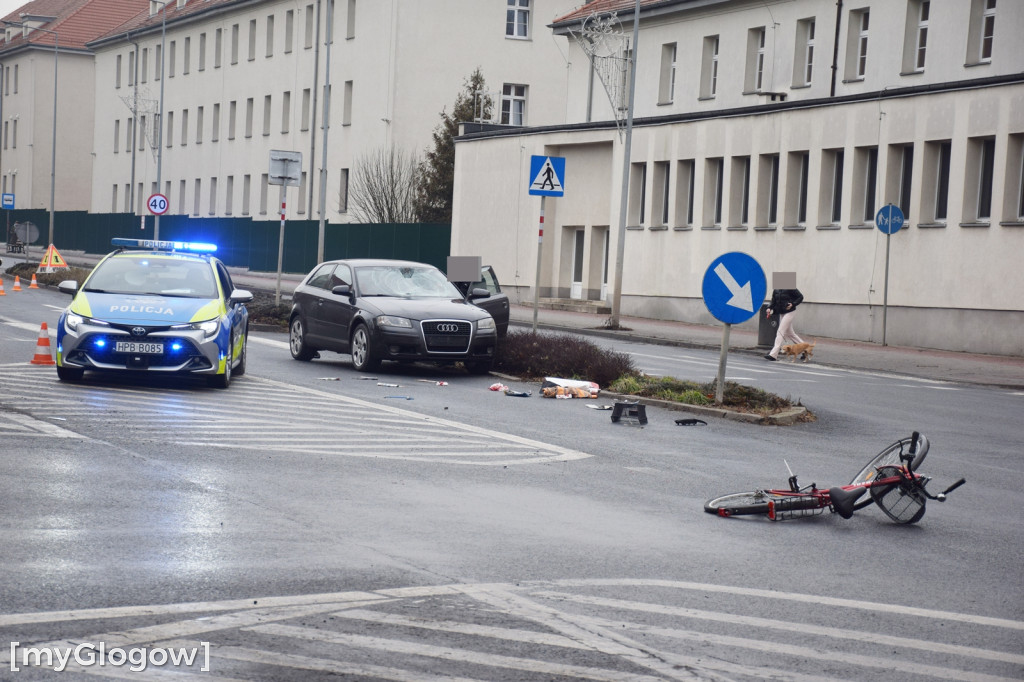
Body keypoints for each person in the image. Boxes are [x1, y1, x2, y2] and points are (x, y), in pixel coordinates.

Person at [764, 288, 804, 361]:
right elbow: (773, 301)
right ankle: (805, 349)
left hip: (790, 312)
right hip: (782, 313)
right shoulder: (776, 289)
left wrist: (793, 304)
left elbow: (800, 297)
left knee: (780, 332)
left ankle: (773, 354)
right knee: (791, 334)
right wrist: (769, 307)